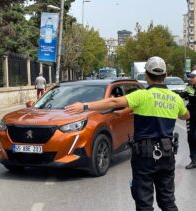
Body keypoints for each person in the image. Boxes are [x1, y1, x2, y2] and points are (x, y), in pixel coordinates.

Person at [64, 56, 190, 211]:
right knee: (167, 201)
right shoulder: (175, 99)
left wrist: (84, 106)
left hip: (145, 157)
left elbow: (114, 102)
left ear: (147, 75)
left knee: (144, 203)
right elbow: (186, 116)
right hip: (166, 155)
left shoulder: (142, 96)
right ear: (165, 75)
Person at [183, 69, 196, 169]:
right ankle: (193, 160)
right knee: (191, 137)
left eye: (193, 77)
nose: (191, 79)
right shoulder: (188, 88)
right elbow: (182, 97)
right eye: (190, 77)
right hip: (191, 116)